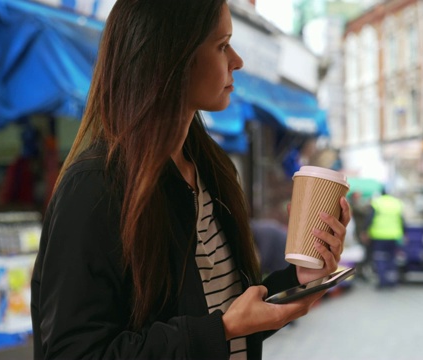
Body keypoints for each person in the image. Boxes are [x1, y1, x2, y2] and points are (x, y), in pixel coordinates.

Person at [29, 1, 351, 359]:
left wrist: (299, 280)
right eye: (222, 45)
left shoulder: (213, 169)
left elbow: (225, 307)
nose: (237, 60)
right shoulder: (94, 187)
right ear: (172, 58)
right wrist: (224, 328)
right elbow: (75, 353)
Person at [364, 187, 405, 289]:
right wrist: (404, 233)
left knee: (380, 258)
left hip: (379, 237)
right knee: (392, 258)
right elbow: (402, 220)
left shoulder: (377, 202)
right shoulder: (396, 203)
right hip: (394, 236)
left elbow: (370, 218)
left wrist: (365, 231)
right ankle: (391, 282)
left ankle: (382, 282)